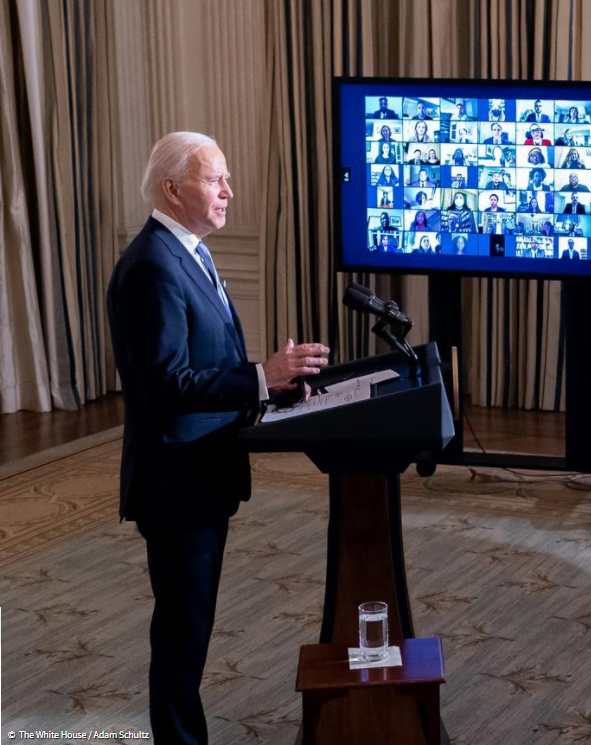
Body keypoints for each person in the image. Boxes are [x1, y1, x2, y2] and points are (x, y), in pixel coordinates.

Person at [107, 132, 330, 745]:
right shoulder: (153, 265)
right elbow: (164, 387)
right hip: (177, 484)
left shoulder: (190, 253)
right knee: (181, 639)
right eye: (215, 180)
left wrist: (272, 388)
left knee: (192, 630)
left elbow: (204, 368)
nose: (229, 191)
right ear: (173, 188)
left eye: (227, 178)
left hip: (203, 474)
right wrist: (261, 374)